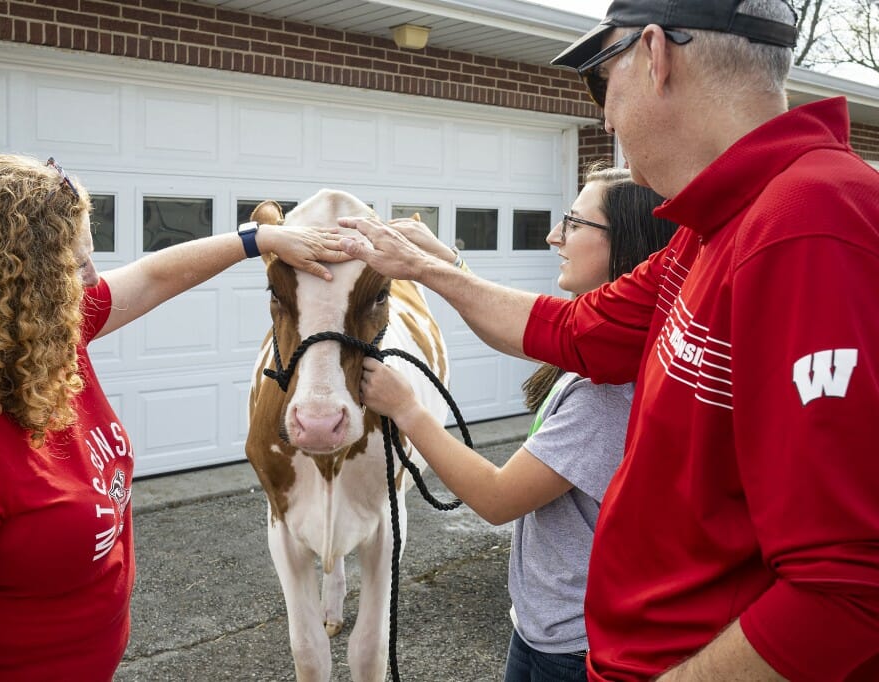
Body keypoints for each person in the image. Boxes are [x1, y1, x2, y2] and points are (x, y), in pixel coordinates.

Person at [335, 0, 879, 679]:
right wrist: (429, 269)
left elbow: (848, 588)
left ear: (655, 54)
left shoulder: (814, 220)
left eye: (601, 81)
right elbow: (569, 330)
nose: (603, 116)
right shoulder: (711, 227)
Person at [0, 153, 347, 681]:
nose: (91, 279)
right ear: (4, 283)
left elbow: (154, 277)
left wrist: (259, 240)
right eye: (74, 266)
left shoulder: (36, 343)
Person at [360, 168, 677, 682]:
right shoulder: (604, 345)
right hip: (544, 628)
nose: (554, 236)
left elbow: (498, 498)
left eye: (573, 223)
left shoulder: (604, 397)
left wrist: (407, 409)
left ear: (626, 244)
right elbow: (517, 331)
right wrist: (445, 264)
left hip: (572, 649)